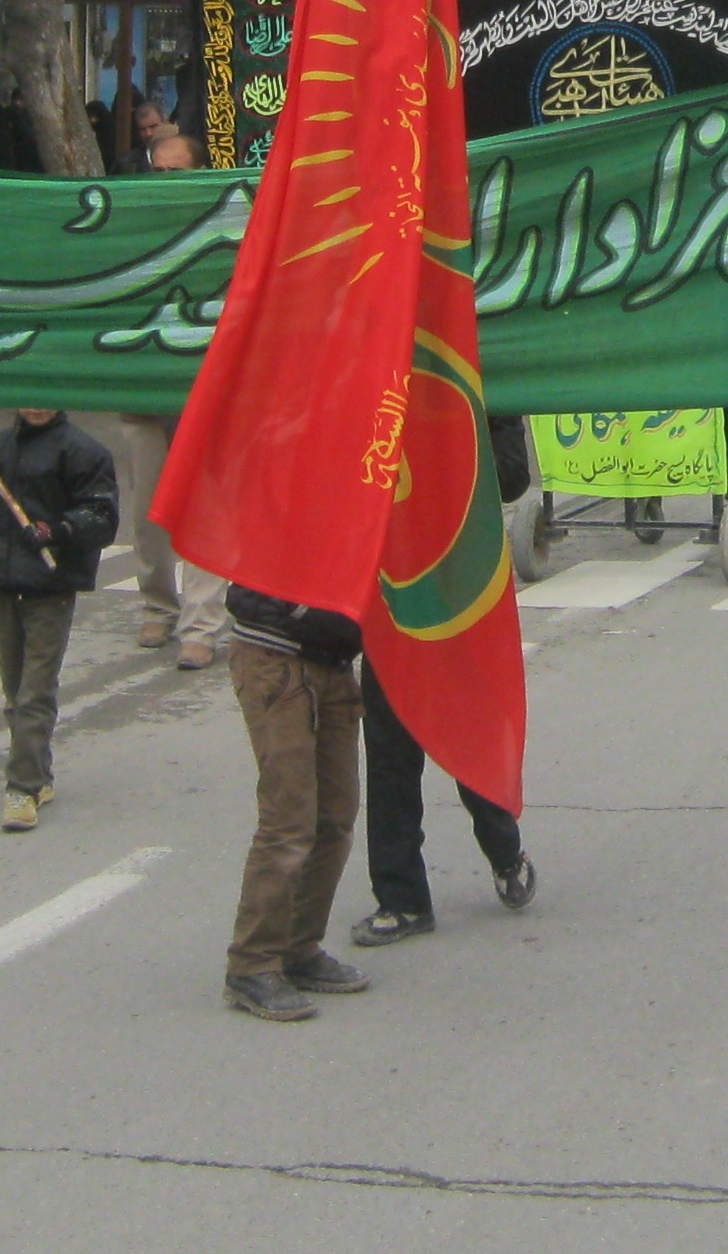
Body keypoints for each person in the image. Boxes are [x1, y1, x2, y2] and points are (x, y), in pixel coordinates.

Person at [352, 414, 539, 947]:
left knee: (470, 735)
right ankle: (402, 898)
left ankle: (505, 853)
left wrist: (446, 463)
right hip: (392, 594)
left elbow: (512, 475)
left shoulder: (473, 385)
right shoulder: (378, 388)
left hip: (461, 593)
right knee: (389, 752)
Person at [0, 407, 118, 833]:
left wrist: (57, 531)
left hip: (50, 590)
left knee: (34, 694)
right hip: (6, 586)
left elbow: (102, 517)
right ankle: (39, 775)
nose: (36, 407)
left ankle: (21, 787)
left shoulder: (83, 451)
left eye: (43, 399)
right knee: (15, 691)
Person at [222, 582, 372, 1022]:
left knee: (335, 817)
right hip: (276, 652)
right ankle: (252, 964)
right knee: (288, 820)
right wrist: (302, 605)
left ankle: (298, 947)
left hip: (334, 655)